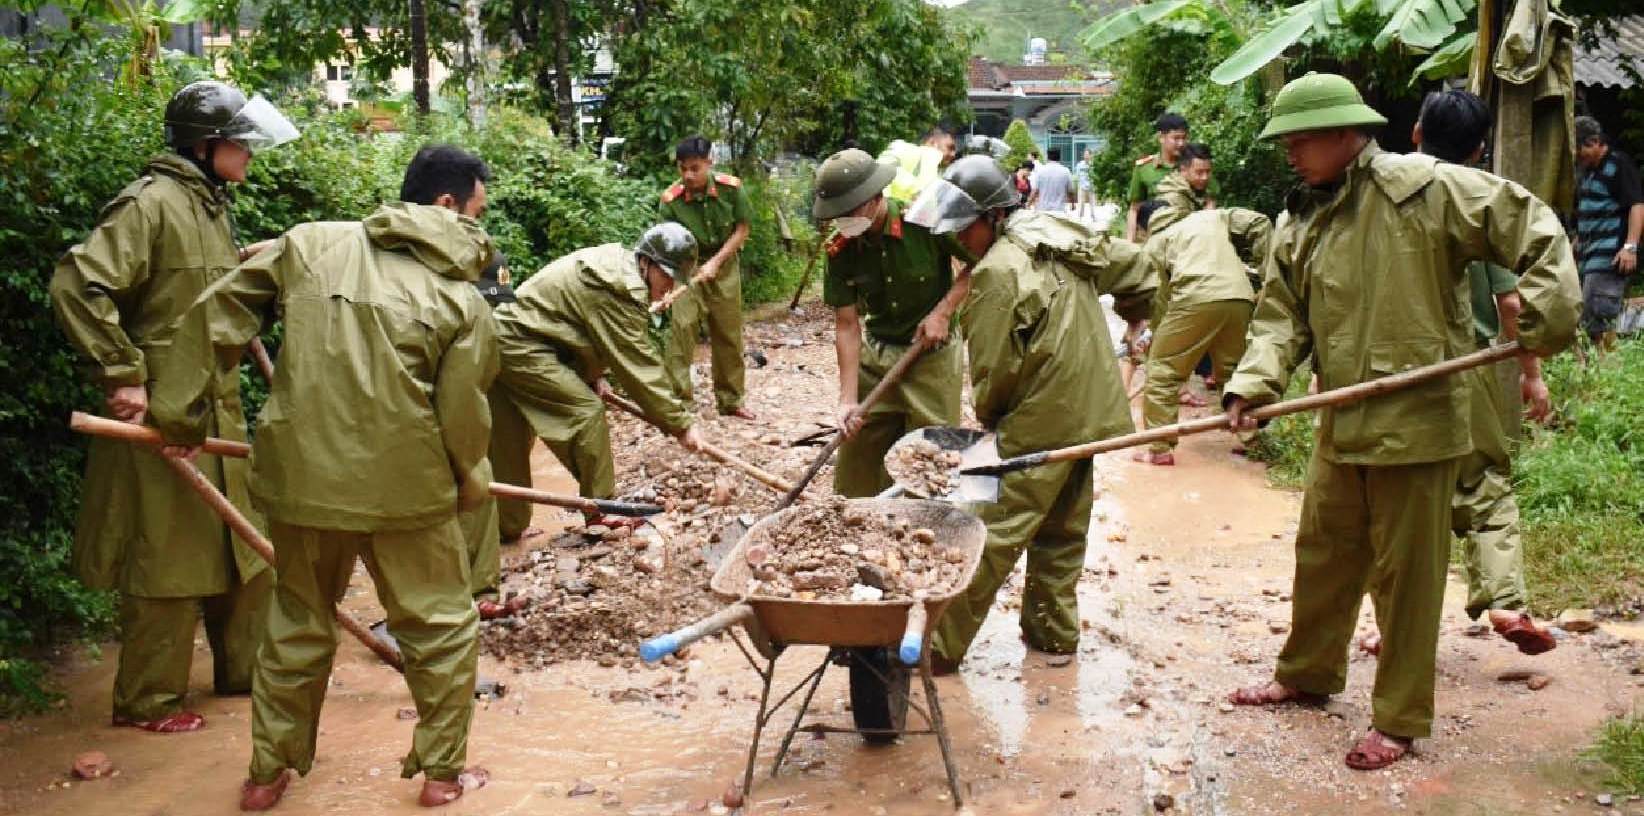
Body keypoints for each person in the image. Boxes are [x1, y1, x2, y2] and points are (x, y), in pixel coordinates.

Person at [1222, 73, 1580, 771]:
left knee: (1408, 581)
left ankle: (1399, 719)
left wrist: (1538, 326)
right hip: (1342, 421)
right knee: (1323, 556)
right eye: (1287, 141)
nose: (1290, 152)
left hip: (1418, 426)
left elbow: (1533, 227)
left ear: (1344, 133)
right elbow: (1278, 319)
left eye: (1301, 139)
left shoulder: (1425, 188)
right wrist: (1250, 387)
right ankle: (1307, 674)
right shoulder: (1303, 218)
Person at [150, 147, 500, 809]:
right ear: (449, 210)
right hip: (410, 496)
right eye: (478, 214)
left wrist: (178, 413)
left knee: (296, 623)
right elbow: (463, 423)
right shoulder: (464, 302)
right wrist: (469, 485)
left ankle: (265, 776)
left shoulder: (309, 244)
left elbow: (216, 313)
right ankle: (442, 776)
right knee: (442, 626)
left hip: (302, 485)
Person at [49, 80, 297, 735]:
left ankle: (246, 671)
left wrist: (245, 262)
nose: (248, 154)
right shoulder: (151, 204)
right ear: (203, 143)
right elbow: (78, 283)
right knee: (166, 556)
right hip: (157, 411)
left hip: (211, 405)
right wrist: (121, 370)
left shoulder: (209, 204)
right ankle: (147, 701)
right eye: (239, 142)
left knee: (241, 546)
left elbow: (192, 289)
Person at [923, 158, 1154, 672]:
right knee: (1062, 525)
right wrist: (1137, 317)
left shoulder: (996, 276)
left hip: (1044, 410)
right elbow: (1137, 268)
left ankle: (935, 650)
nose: (960, 238)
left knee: (991, 526)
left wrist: (991, 432)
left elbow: (994, 373)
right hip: (1094, 405)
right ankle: (1053, 635)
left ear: (993, 216)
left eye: (966, 226)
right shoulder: (1055, 230)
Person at [1354, 90, 1557, 655]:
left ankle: (1394, 627)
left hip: (1377, 375)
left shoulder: (1373, 198)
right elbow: (1512, 304)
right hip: (1460, 372)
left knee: (1388, 508)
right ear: (1480, 149)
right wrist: (1531, 374)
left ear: (1415, 133)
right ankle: (1507, 601)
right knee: (1486, 489)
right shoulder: (1475, 204)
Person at [489, 224, 706, 538]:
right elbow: (638, 365)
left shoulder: (618, 270)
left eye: (676, 279)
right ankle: (601, 511)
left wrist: (594, 375)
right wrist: (680, 424)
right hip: (519, 344)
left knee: (509, 441)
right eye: (667, 275)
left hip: (510, 340)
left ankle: (504, 528)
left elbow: (582, 328)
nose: (670, 286)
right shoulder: (620, 286)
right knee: (585, 415)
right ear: (646, 262)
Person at [812, 148, 972, 496]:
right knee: (857, 463)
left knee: (933, 461)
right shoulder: (840, 248)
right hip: (879, 355)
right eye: (836, 215)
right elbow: (847, 324)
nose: (843, 222)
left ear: (875, 197)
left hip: (932, 357)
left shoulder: (926, 220)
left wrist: (943, 312)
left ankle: (927, 535)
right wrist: (847, 399)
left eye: (849, 212)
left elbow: (981, 262)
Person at [1133, 195, 1271, 466]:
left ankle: (1159, 448)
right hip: (1240, 298)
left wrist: (1157, 338)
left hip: (1193, 299)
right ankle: (1254, 441)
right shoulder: (1210, 216)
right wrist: (1269, 276)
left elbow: (1160, 300)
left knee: (1162, 374)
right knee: (1235, 374)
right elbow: (1260, 222)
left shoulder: (1153, 245)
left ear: (1143, 228)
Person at [658, 136, 756, 419]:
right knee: (681, 331)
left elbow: (742, 230)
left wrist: (715, 262)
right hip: (687, 269)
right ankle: (680, 405)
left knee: (728, 333)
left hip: (724, 265)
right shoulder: (670, 201)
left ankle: (731, 401)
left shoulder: (731, 189)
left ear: (709, 163)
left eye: (695, 168)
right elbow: (667, 244)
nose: (688, 175)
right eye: (683, 168)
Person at [1573, 116, 1643, 351]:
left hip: (1609, 256)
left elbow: (1637, 205)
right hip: (1588, 256)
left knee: (1599, 315)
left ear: (1594, 142)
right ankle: (1599, 371)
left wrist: (1630, 247)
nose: (1576, 154)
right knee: (1590, 316)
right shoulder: (1588, 172)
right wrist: (1577, 241)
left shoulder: (1618, 164)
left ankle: (1608, 370)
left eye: (1579, 147)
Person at [1126, 112, 1219, 240]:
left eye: (1184, 138)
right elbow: (1134, 209)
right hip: (1155, 236)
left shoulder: (1197, 165)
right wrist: (1130, 243)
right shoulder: (1144, 168)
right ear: (1161, 137)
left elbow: (1210, 203)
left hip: (1191, 234)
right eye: (1176, 138)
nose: (1181, 143)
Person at [881, 126, 959, 202]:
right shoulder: (901, 148)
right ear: (932, 142)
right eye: (950, 147)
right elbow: (882, 172)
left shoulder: (941, 176)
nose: (953, 154)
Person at [1027, 147, 1074, 212]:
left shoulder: (1041, 171)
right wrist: (1073, 204)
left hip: (1043, 209)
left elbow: (1035, 191)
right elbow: (1070, 191)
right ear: (1059, 157)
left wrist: (1028, 204)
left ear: (1047, 157)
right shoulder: (1066, 171)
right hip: (1059, 210)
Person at [1074, 147, 1096, 220]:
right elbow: (1077, 175)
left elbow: (1096, 176)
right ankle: (1080, 217)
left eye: (1087, 154)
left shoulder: (1093, 165)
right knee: (1081, 203)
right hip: (1082, 186)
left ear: (1090, 155)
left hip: (1091, 187)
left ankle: (1093, 216)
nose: (1086, 156)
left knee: (1092, 203)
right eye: (1085, 154)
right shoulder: (1079, 165)